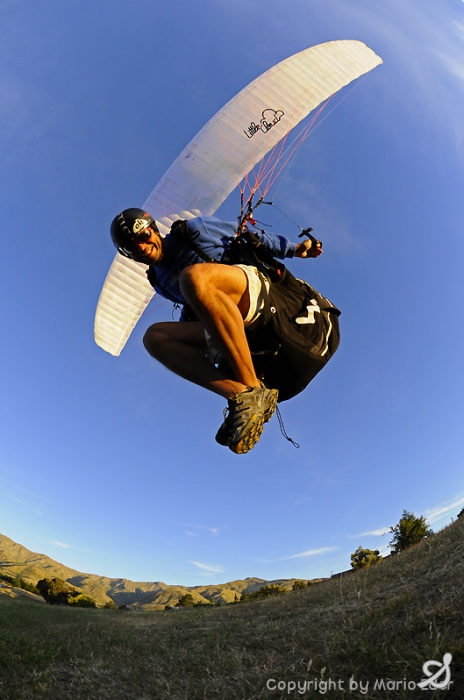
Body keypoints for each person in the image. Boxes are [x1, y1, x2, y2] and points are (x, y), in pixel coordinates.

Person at [110, 208, 334, 454]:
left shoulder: (193, 231)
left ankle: (250, 389)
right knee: (154, 338)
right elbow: (192, 304)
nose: (141, 247)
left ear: (154, 229)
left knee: (192, 278)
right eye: (131, 247)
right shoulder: (157, 280)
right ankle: (241, 395)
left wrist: (296, 249)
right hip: (232, 319)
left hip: (257, 293)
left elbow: (250, 236)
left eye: (143, 236)